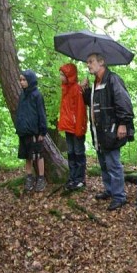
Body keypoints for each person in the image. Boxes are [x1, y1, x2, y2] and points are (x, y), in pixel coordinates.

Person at [82, 53, 135, 211]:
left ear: (101, 62)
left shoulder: (113, 79)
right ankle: (110, 190)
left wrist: (123, 124)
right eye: (87, 62)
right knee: (104, 163)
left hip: (111, 129)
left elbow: (124, 102)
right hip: (99, 132)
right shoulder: (95, 83)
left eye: (91, 62)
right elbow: (92, 104)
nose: (88, 65)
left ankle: (119, 196)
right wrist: (85, 90)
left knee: (113, 163)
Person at [15, 69, 47, 192]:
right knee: (27, 156)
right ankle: (29, 178)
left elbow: (41, 114)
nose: (22, 82)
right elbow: (20, 113)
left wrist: (42, 132)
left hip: (35, 132)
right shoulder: (22, 95)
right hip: (24, 132)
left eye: (24, 80)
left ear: (30, 80)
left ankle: (41, 178)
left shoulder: (37, 95)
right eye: (21, 80)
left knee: (38, 156)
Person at [57, 63, 87, 191]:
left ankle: (80, 179)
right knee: (71, 153)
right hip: (68, 127)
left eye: (62, 75)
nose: (60, 77)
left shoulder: (76, 89)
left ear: (69, 76)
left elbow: (80, 111)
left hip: (76, 128)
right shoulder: (66, 89)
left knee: (78, 153)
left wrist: (79, 129)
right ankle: (73, 177)